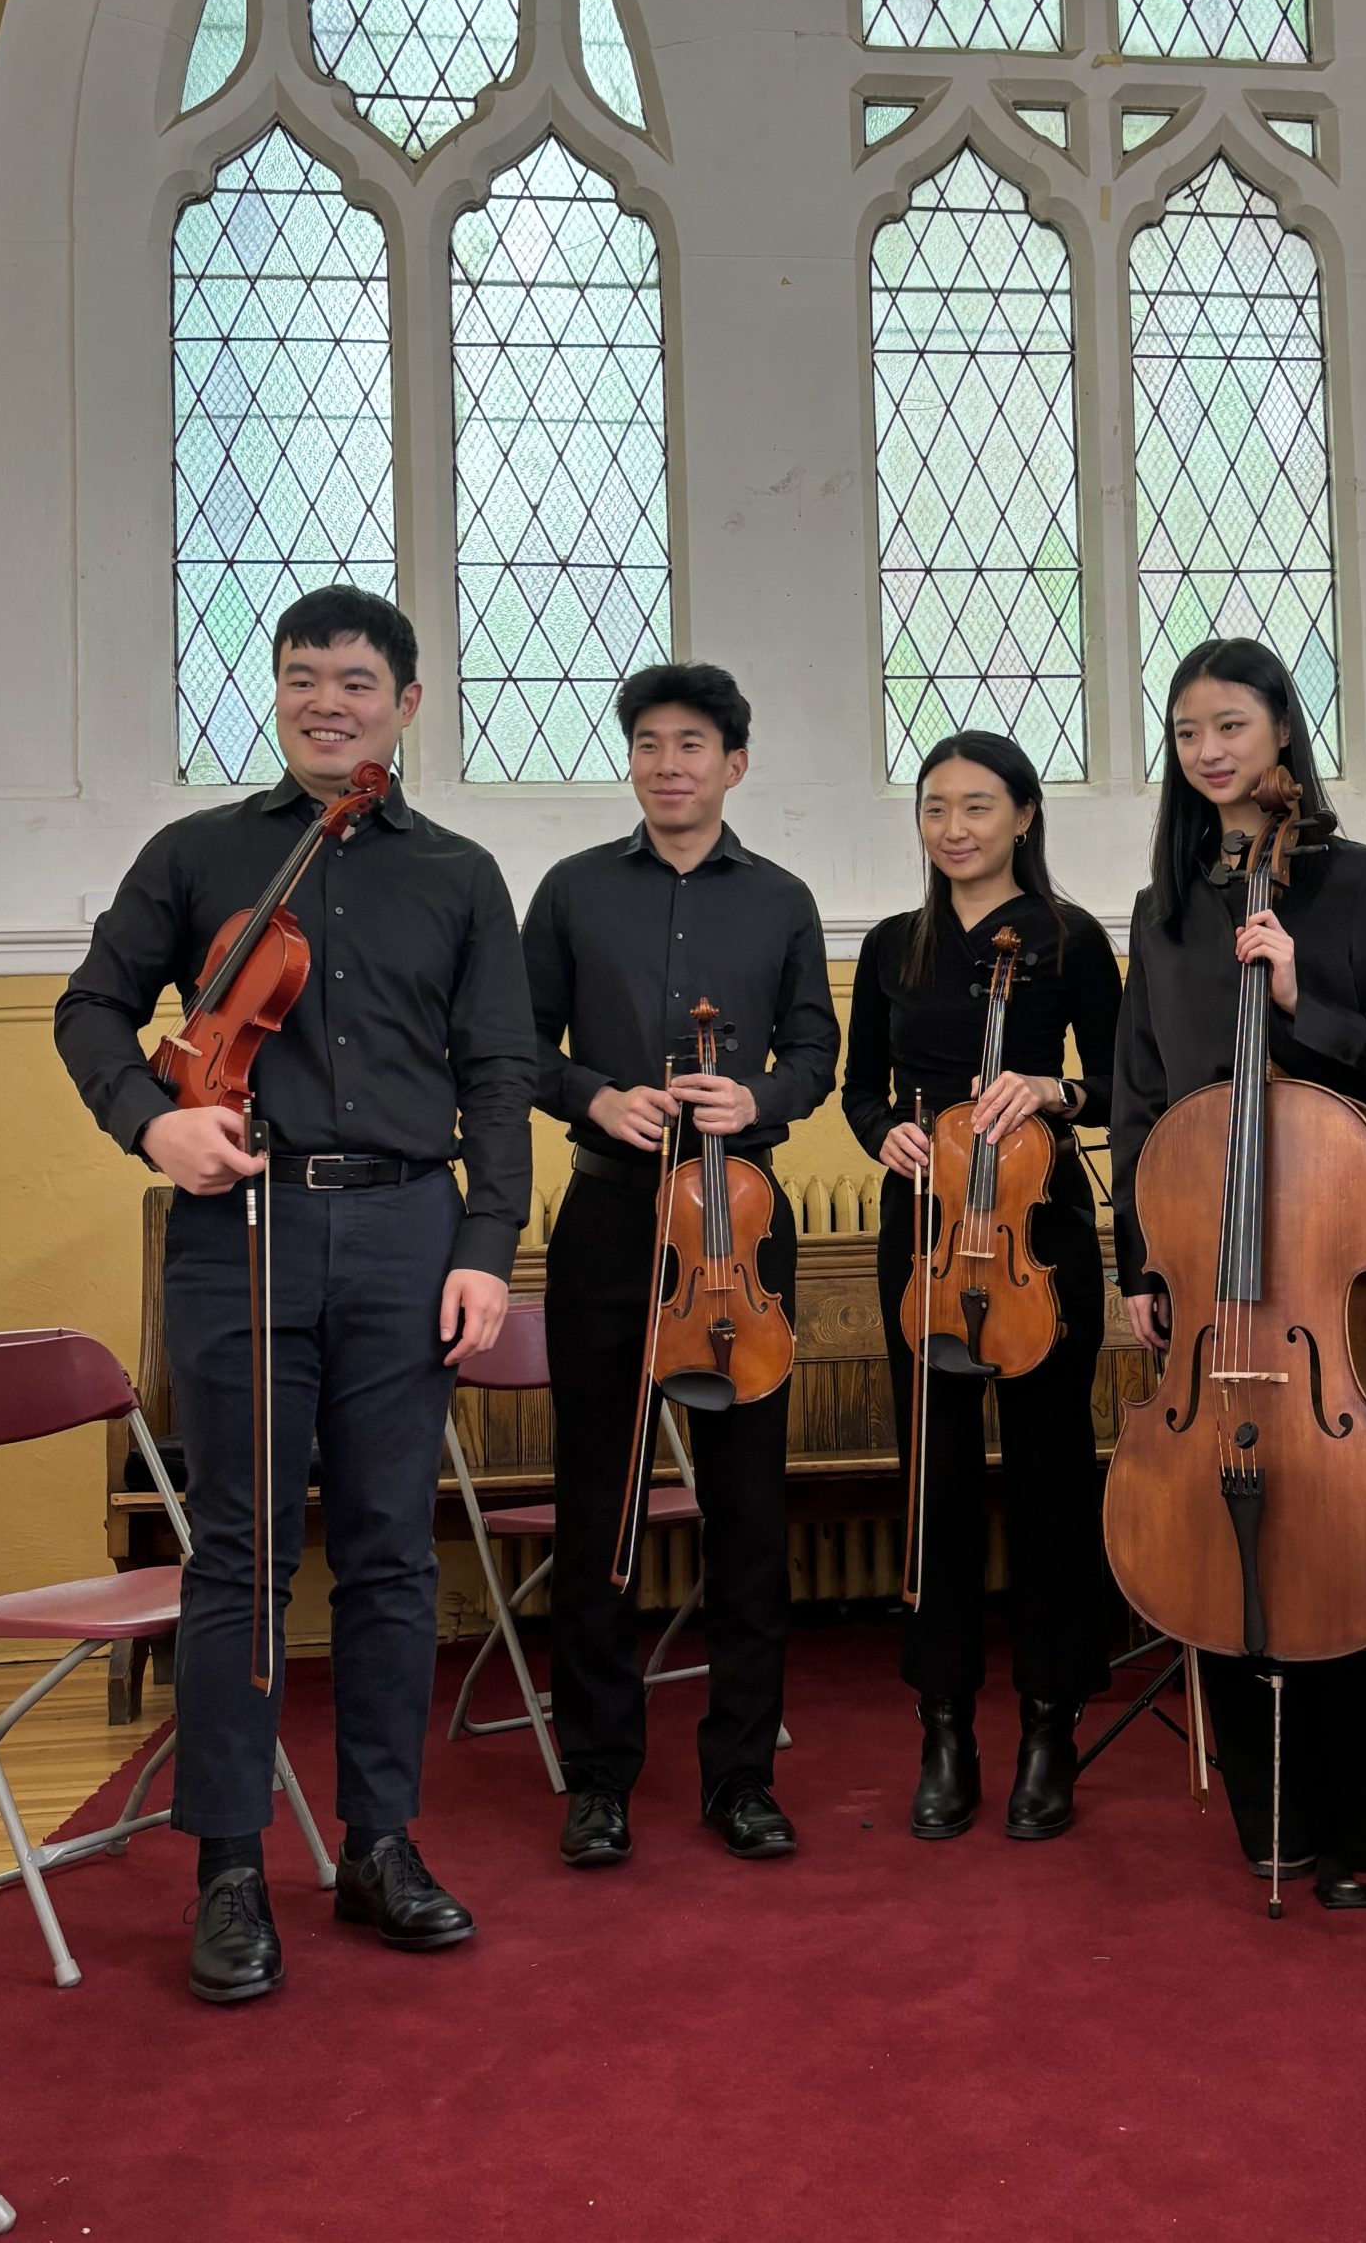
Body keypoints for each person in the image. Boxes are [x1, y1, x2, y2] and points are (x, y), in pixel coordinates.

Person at [55, 586, 534, 2005]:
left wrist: (486, 1242)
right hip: (241, 1228)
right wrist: (153, 1122)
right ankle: (227, 1869)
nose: (330, 700)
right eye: (303, 676)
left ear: (407, 703)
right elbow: (91, 1008)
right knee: (241, 1555)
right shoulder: (198, 852)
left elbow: (499, 1071)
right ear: (277, 692)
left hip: (407, 1230)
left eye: (357, 681)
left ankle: (381, 1844)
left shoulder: (459, 873)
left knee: (390, 1552)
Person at [1111, 639, 1366, 1907]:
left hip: (1333, 1272)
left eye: (1231, 725)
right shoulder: (1164, 908)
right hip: (1209, 1281)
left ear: (1283, 732)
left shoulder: (1353, 882)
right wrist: (1142, 1263)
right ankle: (1272, 1816)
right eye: (1187, 730)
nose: (1209, 749)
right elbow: (1143, 1096)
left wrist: (1302, 997)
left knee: (1357, 1529)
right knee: (1217, 1532)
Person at [523, 663, 838, 1865]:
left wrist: (756, 1095)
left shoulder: (784, 899)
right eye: (649, 742)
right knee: (597, 1503)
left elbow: (815, 1051)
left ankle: (742, 1775)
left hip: (739, 1222)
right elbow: (515, 1041)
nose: (668, 763)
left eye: (692, 744)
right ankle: (598, 1776)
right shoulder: (571, 889)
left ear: (733, 764)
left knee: (747, 1508)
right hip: (611, 1219)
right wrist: (595, 1096)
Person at [842, 732, 1120, 1841]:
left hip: (1038, 1233)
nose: (953, 827)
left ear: (1024, 816)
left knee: (1053, 1480)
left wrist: (1052, 1090)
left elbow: (1122, 1086)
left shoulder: (1071, 938)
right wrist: (885, 1136)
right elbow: (862, 1089)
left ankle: (1051, 1726)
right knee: (936, 1482)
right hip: (922, 1232)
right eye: (934, 807)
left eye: (976, 806)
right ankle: (944, 1726)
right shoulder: (891, 945)